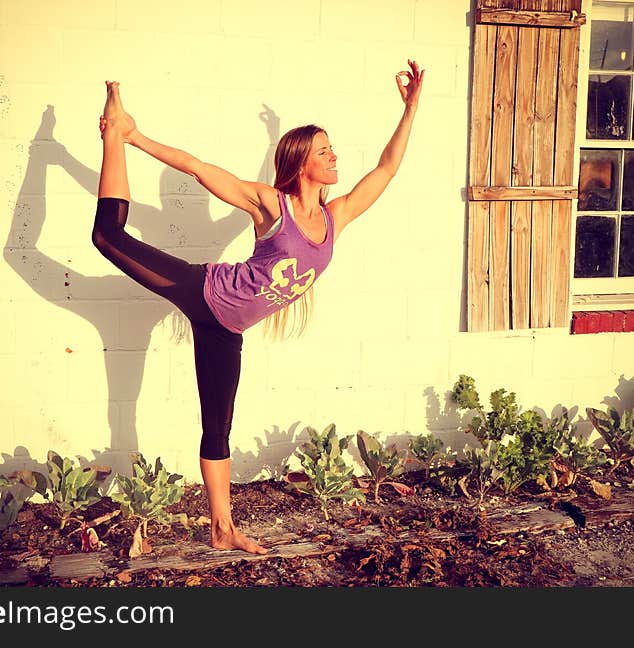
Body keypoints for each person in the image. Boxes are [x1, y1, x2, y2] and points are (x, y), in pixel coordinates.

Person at [92, 59, 424, 554]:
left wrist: (411, 107)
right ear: (301, 163)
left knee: (217, 426)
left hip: (225, 329)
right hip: (203, 291)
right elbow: (199, 168)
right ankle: (114, 135)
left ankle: (222, 529)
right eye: (324, 151)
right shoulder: (272, 204)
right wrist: (135, 138)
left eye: (332, 148)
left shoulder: (336, 217)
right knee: (107, 236)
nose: (334, 157)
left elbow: (388, 167)